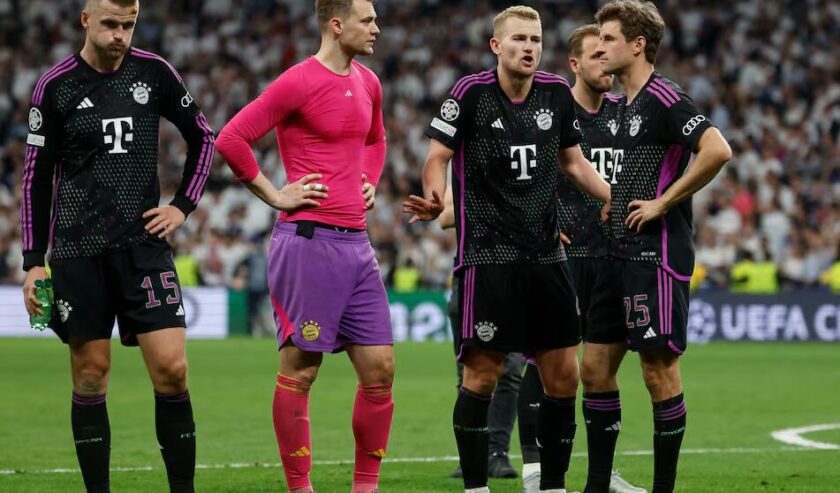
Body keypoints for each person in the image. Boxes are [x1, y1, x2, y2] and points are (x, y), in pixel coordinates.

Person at [404, 6, 611, 493]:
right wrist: (436, 198)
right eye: (519, 38)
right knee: (481, 377)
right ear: (497, 46)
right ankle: (476, 486)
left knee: (564, 379)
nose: (530, 47)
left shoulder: (557, 93)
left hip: (546, 258)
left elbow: (575, 164)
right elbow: (437, 157)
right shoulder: (471, 94)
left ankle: (554, 485)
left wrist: (616, 200)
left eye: (536, 39)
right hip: (488, 258)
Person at [20, 0, 214, 491]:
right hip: (77, 252)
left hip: (143, 247)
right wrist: (32, 262)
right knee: (90, 376)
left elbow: (204, 138)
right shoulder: (55, 86)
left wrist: (182, 206)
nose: (120, 35)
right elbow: (35, 179)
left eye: (128, 25)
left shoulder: (155, 73)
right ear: (86, 20)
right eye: (110, 25)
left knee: (172, 369)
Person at [215, 1, 391, 492]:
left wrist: (369, 180)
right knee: (302, 368)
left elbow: (377, 140)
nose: (377, 27)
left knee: (381, 370)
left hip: (357, 244)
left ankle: (365, 487)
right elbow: (231, 138)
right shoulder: (298, 81)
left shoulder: (370, 82)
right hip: (308, 242)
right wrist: (275, 194)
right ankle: (300, 488)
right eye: (368, 19)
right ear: (337, 24)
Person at [595, 2, 733, 492]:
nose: (598, 46)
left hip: (656, 254)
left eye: (608, 38)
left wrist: (660, 203)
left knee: (658, 371)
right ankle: (598, 482)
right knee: (595, 368)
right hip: (618, 252)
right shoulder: (626, 103)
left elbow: (717, 149)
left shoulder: (664, 96)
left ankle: (664, 489)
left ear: (637, 45)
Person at [440, 187, 523, 481]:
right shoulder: (465, 163)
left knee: (511, 369)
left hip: (518, 271)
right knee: (468, 370)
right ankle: (471, 455)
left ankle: (497, 452)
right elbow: (445, 217)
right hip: (471, 273)